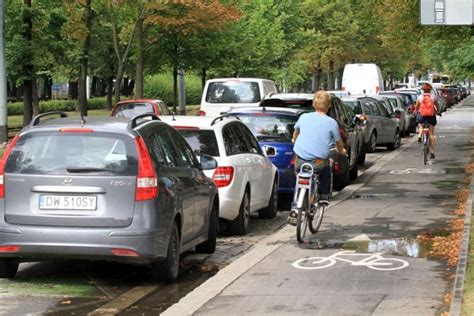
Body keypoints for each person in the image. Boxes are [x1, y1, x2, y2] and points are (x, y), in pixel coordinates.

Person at [288, 91, 346, 225]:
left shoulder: (303, 117)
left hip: (300, 159)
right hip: (318, 162)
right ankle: (324, 196)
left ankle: (295, 208)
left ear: (313, 104)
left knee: (299, 177)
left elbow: (296, 132)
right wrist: (341, 151)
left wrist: (294, 139)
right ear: (329, 106)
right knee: (326, 168)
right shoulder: (331, 123)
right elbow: (339, 142)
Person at [415, 83, 439, 159]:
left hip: (422, 116)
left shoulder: (420, 97)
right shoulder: (433, 97)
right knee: (431, 133)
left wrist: (415, 111)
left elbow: (417, 106)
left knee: (420, 124)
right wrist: (438, 111)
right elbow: (437, 106)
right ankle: (432, 151)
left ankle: (419, 135)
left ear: (423, 90)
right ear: (430, 90)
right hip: (431, 116)